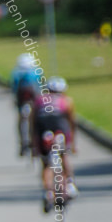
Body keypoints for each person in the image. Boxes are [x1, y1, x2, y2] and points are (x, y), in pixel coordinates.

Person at [30, 77, 79, 212]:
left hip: (43, 132)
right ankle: (69, 184)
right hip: (60, 130)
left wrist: (34, 145)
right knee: (63, 157)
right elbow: (71, 123)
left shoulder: (39, 100)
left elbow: (33, 124)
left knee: (46, 164)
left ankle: (48, 192)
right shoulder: (66, 101)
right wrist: (72, 144)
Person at [11, 53, 41, 157]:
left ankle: (22, 143)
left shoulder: (16, 73)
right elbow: (40, 87)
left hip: (22, 101)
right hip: (34, 100)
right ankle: (35, 142)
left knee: (21, 121)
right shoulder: (36, 72)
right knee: (36, 121)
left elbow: (14, 88)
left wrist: (15, 101)